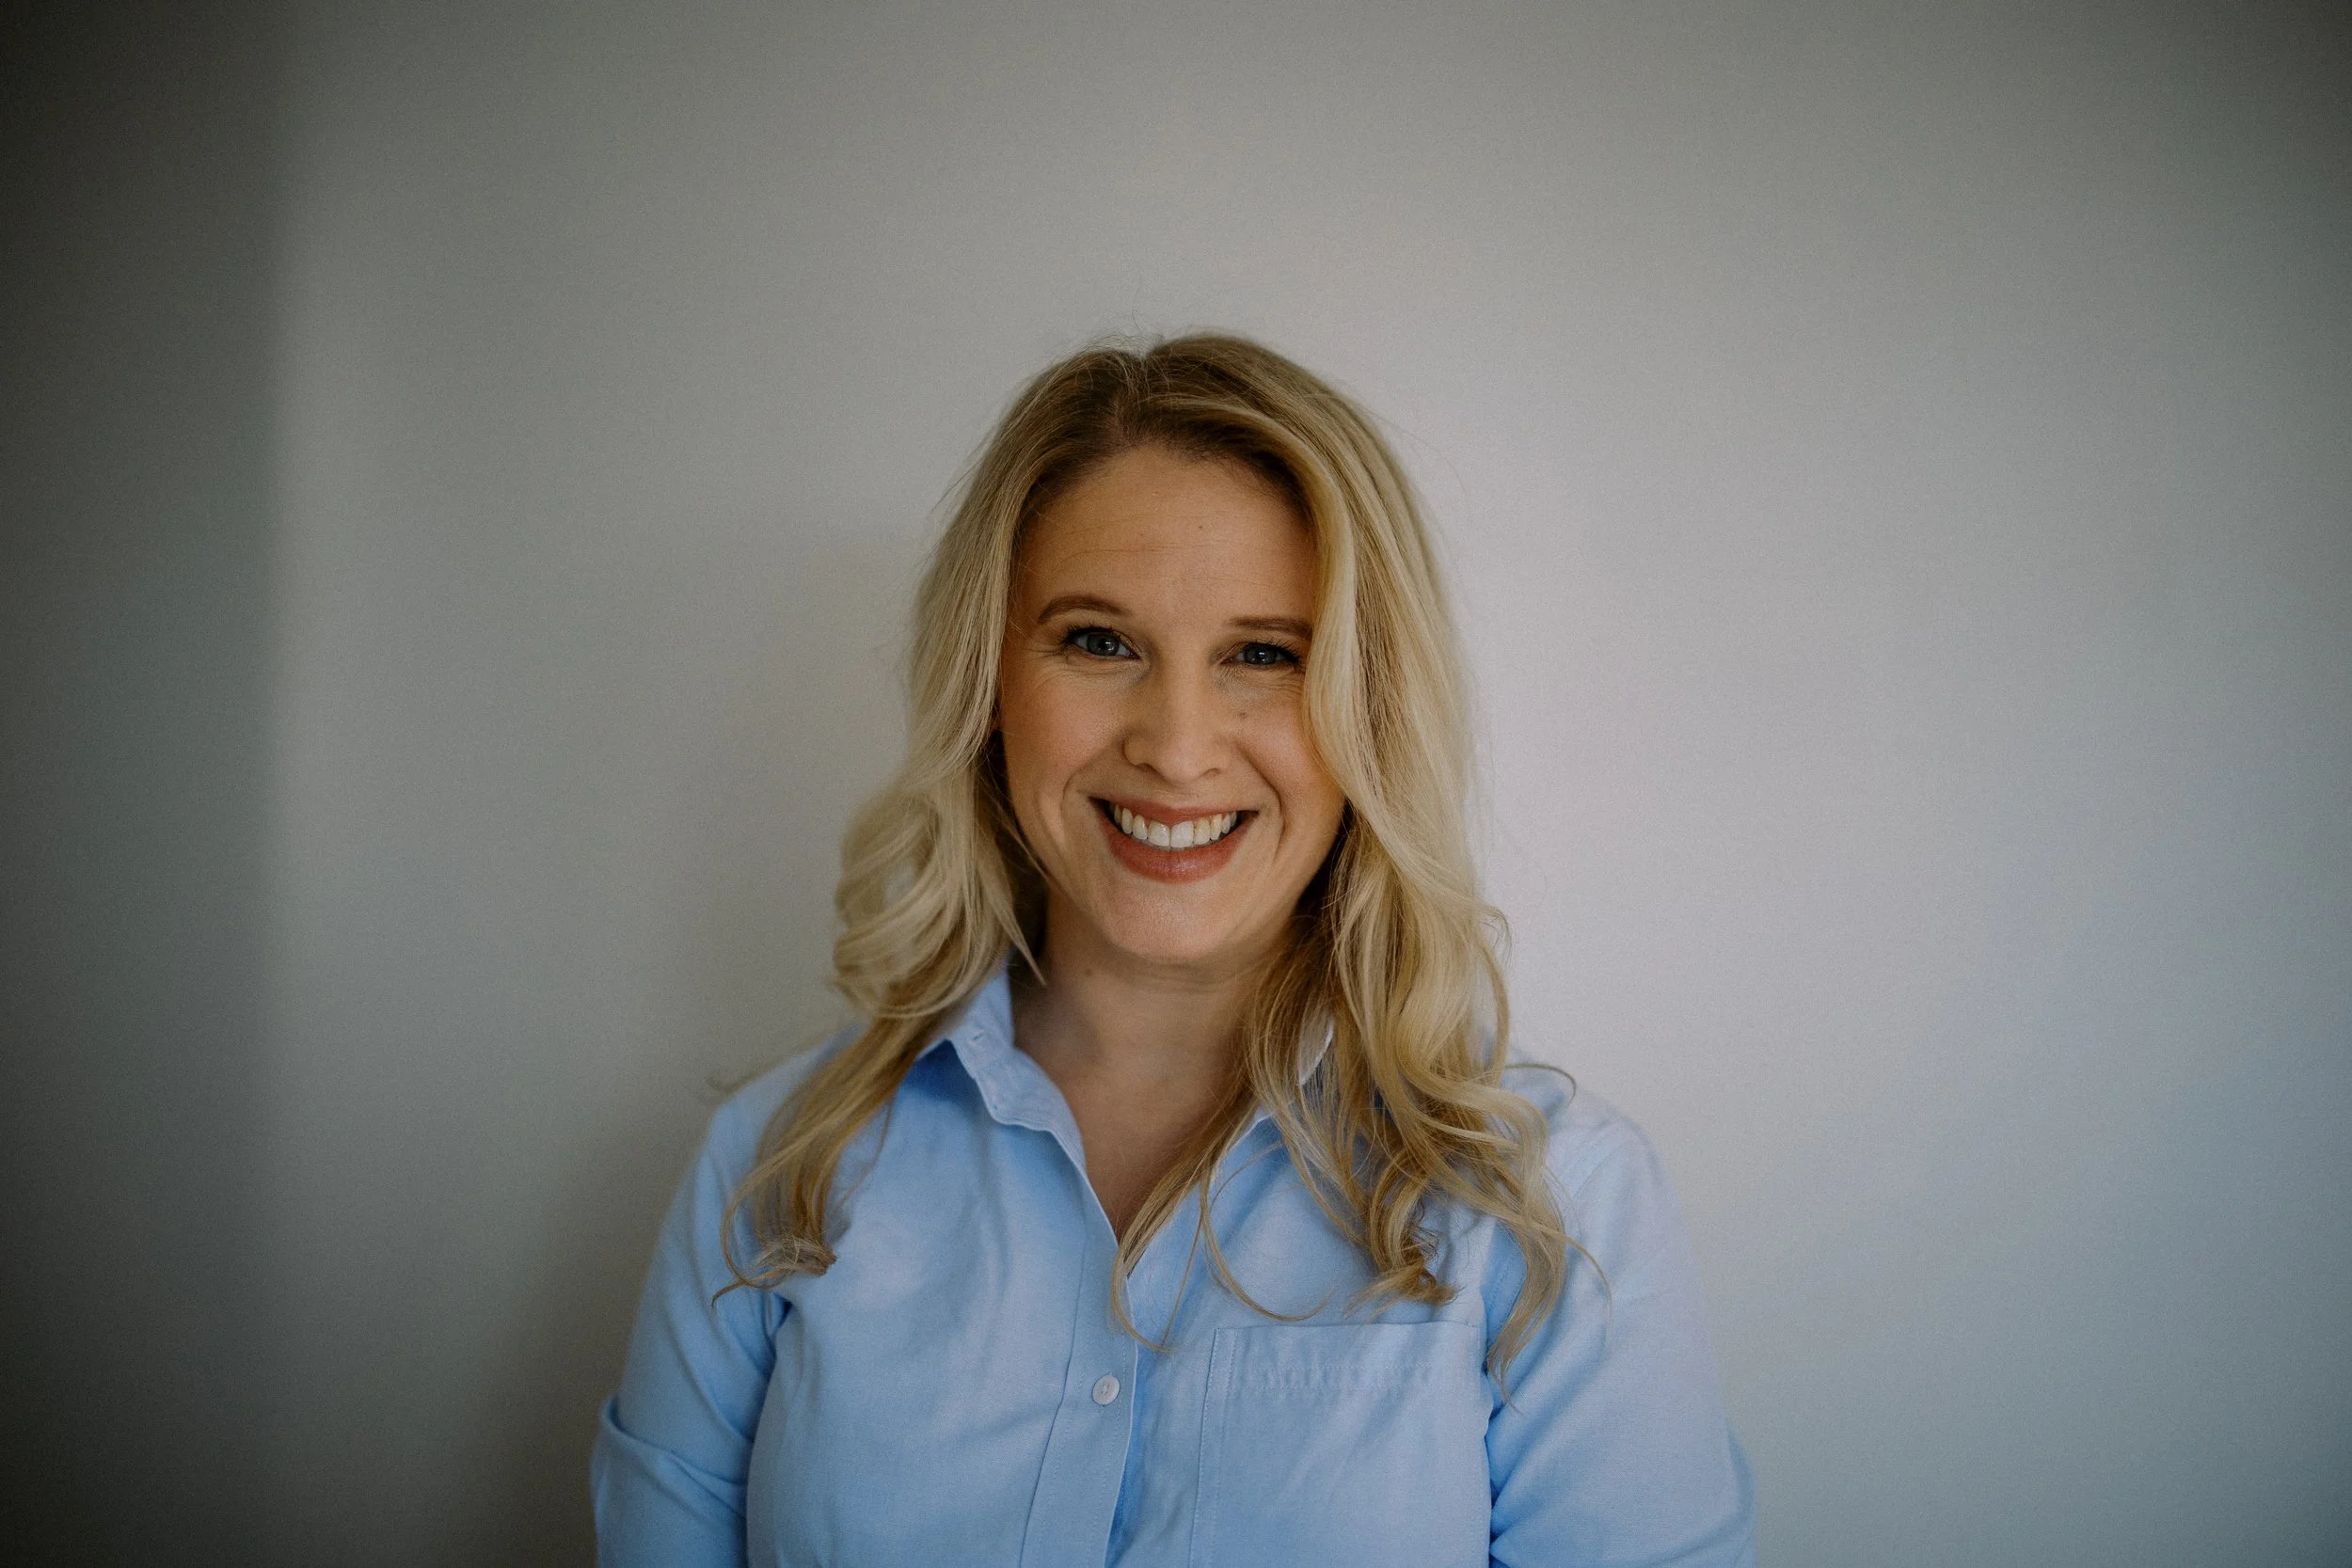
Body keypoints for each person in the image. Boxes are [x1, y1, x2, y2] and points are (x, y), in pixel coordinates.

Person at [592, 334, 1756, 1566]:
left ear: (1368, 707)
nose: (1179, 747)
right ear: (990, 685)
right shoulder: (775, 1169)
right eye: (1100, 641)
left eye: (1265, 654)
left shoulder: (1555, 1204)